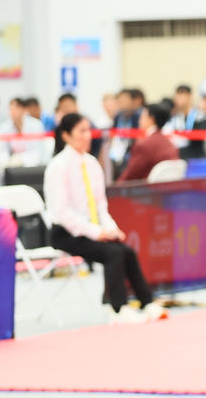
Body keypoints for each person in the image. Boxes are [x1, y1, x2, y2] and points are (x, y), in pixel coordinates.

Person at [43, 113, 166, 323]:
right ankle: (117, 309)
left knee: (126, 251)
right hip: (66, 232)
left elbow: (101, 204)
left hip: (92, 227)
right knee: (112, 254)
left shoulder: (92, 163)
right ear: (66, 136)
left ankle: (147, 302)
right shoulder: (58, 166)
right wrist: (96, 232)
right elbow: (62, 212)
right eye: (81, 131)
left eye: (88, 130)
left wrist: (110, 229)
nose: (87, 136)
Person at [117, 101, 180, 182]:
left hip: (147, 188)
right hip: (168, 188)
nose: (139, 120)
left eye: (142, 116)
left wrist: (113, 187)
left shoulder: (144, 145)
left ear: (151, 119)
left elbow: (130, 175)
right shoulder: (170, 144)